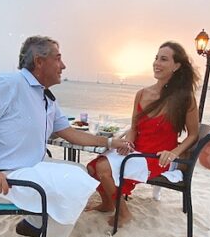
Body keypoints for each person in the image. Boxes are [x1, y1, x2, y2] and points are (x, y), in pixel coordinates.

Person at [0, 36, 132, 237]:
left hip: (28, 169)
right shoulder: (9, 84)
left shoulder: (44, 95)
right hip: (3, 179)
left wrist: (109, 142)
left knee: (78, 172)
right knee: (76, 183)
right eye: (58, 58)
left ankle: (34, 223)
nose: (64, 66)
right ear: (39, 61)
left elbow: (68, 132)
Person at [86, 41, 200, 227]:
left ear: (177, 66)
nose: (157, 63)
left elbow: (193, 135)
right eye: (156, 58)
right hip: (136, 151)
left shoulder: (184, 98)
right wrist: (128, 143)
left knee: (104, 170)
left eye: (164, 59)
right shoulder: (141, 93)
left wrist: (174, 153)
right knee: (92, 168)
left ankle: (124, 214)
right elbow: (134, 127)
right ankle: (108, 204)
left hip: (156, 157)